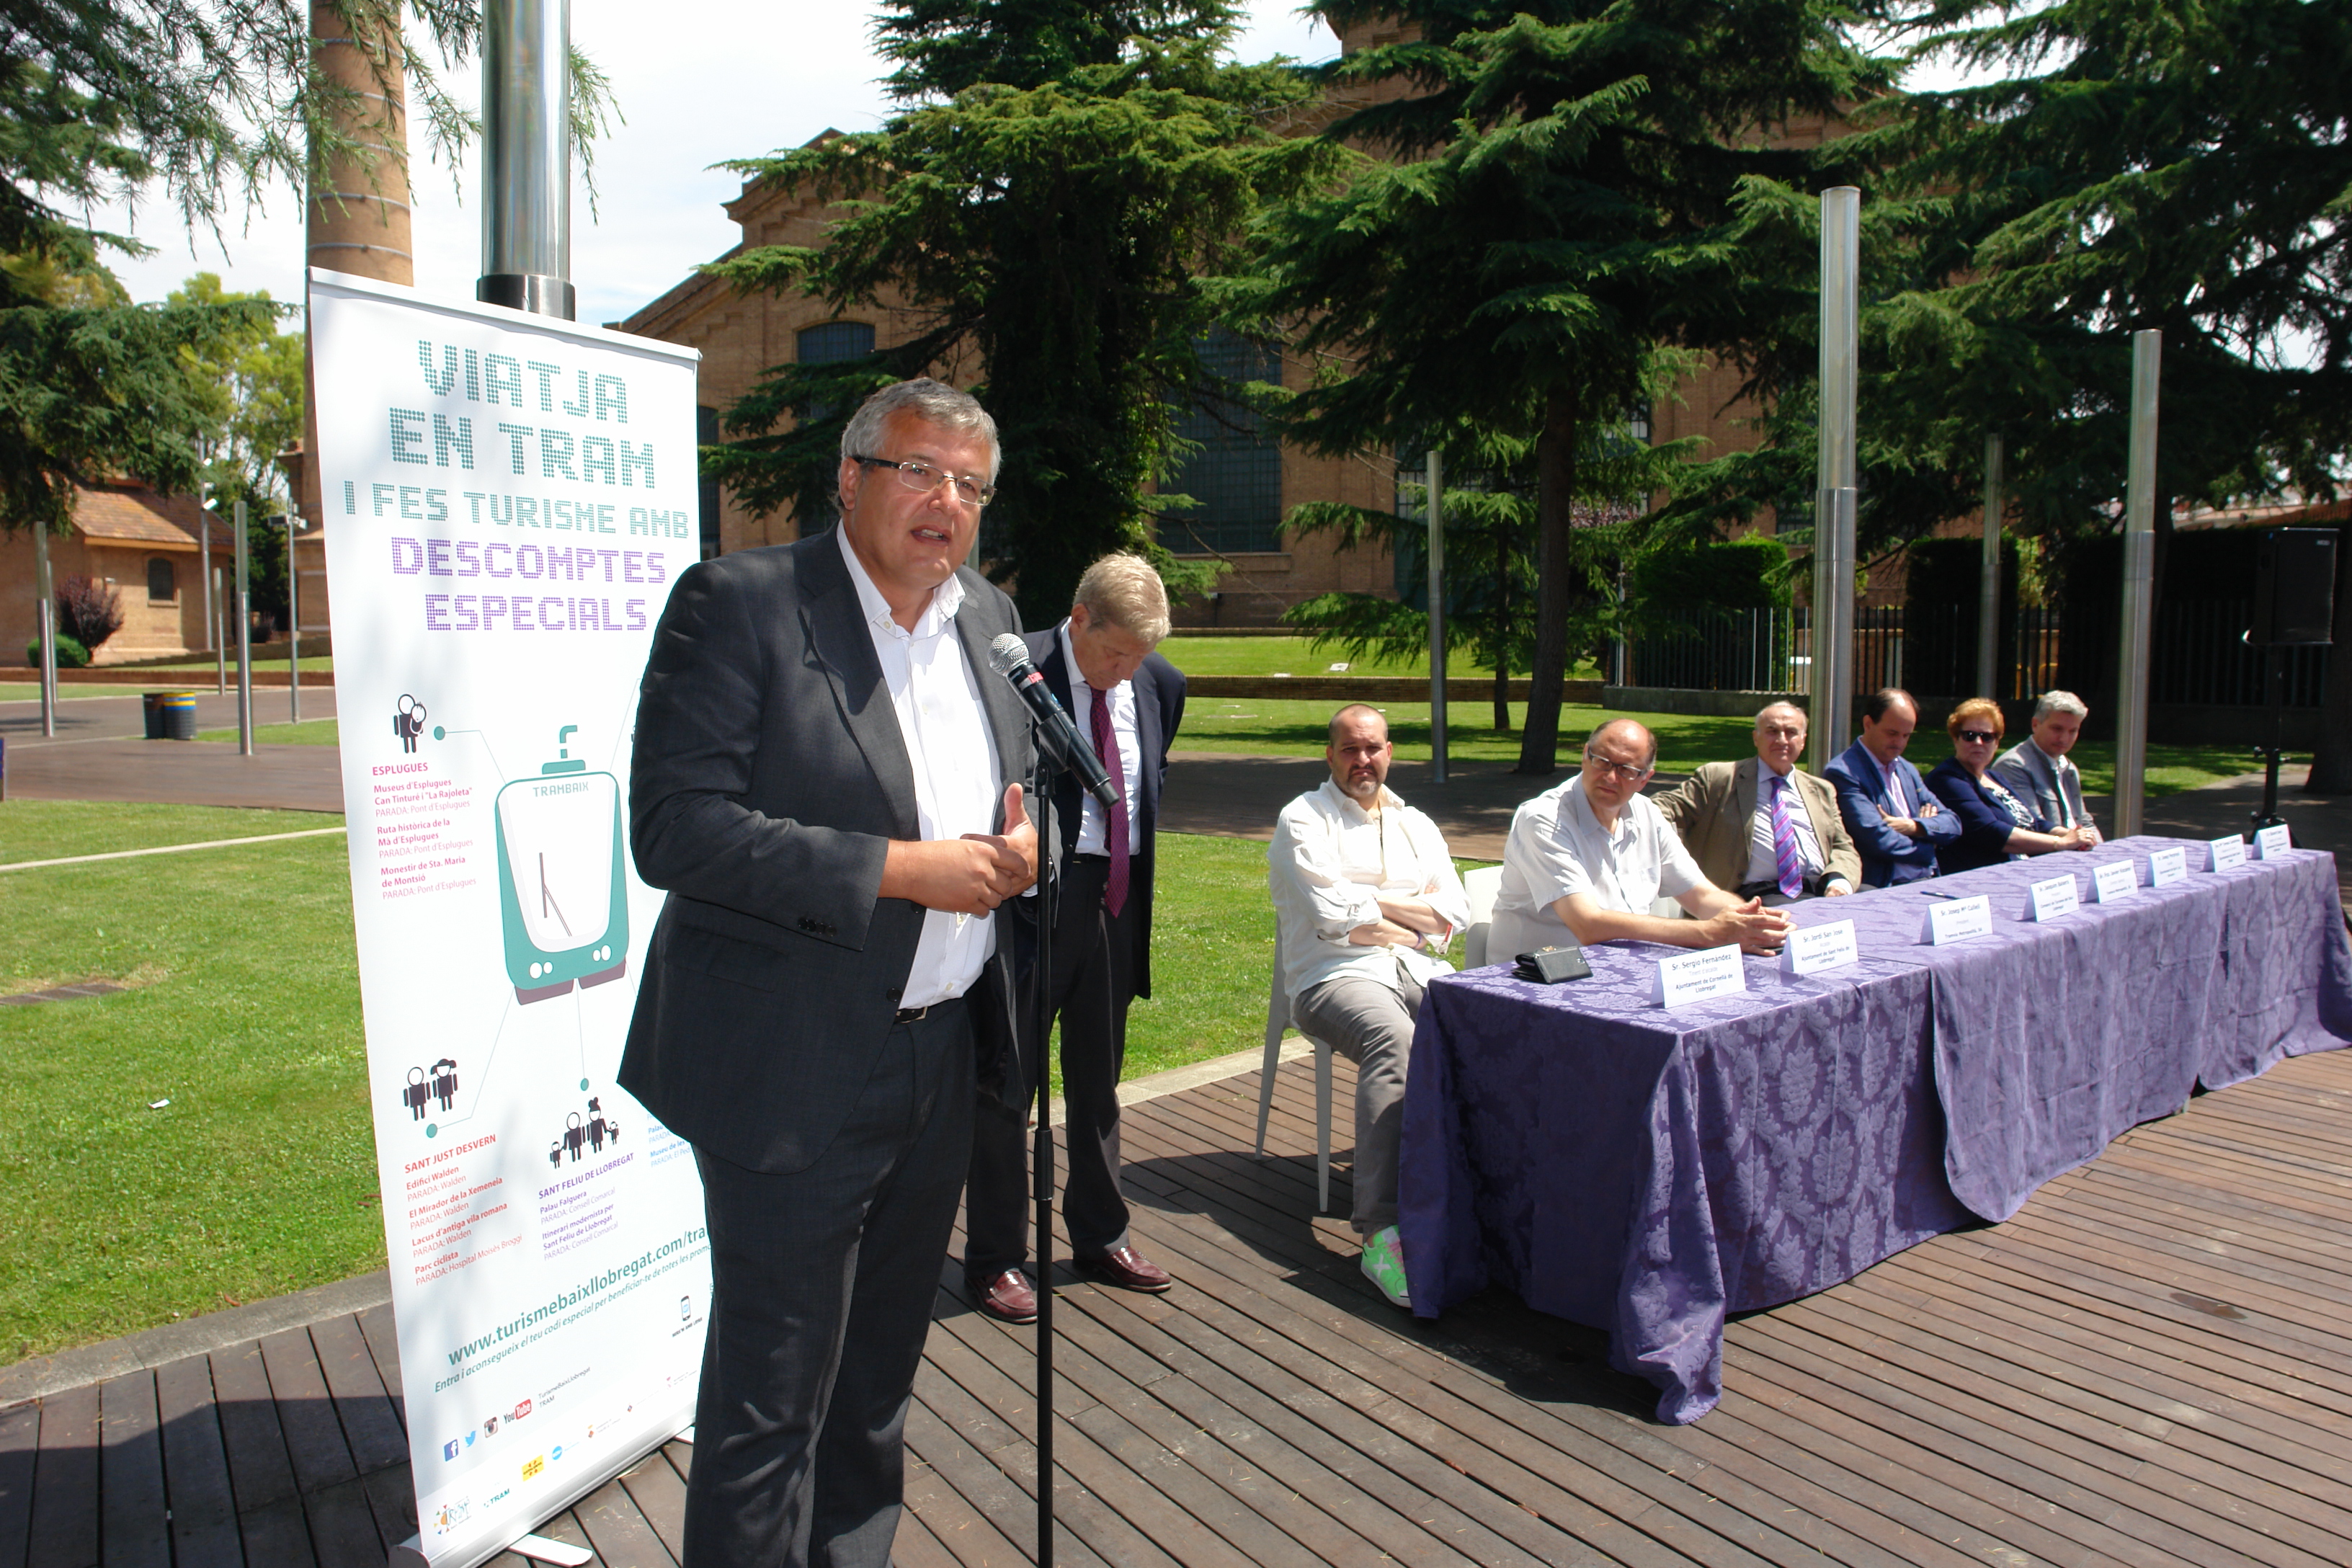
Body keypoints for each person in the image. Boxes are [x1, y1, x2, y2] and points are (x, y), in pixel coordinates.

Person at [620, 378, 1038, 1568]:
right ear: (849, 478)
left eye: (969, 484)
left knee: (875, 1390)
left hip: (943, 1057)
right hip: (793, 1067)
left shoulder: (988, 617)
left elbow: (1018, 795)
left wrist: (1026, 851)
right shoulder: (741, 604)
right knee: (771, 1406)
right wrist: (900, 872)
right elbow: (676, 829)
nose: (945, 501)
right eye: (919, 470)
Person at [963, 553, 1188, 1324]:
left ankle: (1101, 1235)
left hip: (1114, 899)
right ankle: (996, 1257)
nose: (1125, 673)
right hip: (1033, 906)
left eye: (1139, 658)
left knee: (1099, 1075)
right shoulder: (1015, 670)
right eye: (1115, 653)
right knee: (1009, 1080)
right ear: (1079, 618)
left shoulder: (1161, 684)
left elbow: (1149, 780)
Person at [1268, 703, 1469, 1311]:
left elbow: (1453, 915)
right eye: (1351, 749)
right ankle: (1382, 1231)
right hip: (1331, 977)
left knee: (1484, 1029)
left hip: (1417, 967)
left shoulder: (1417, 823)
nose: (1363, 760)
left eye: (1373, 747)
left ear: (1390, 752)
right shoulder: (1303, 818)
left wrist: (1369, 905)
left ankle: (1466, 1196)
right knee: (1396, 1041)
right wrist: (1408, 915)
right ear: (1330, 754)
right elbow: (1331, 918)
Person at [1488, 718, 1793, 962]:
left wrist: (1753, 922)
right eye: (1603, 762)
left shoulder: (1646, 813)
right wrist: (1710, 933)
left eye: (1626, 770)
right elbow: (1588, 924)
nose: (1610, 778)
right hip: (1535, 977)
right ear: (1585, 756)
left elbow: (1701, 896)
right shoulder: (1543, 819)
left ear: (1646, 778)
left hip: (1622, 965)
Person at [1652, 700, 1862, 904]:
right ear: (1756, 738)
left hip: (1819, 888)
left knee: (1872, 902)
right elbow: (1663, 807)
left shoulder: (1821, 790)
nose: (1782, 740)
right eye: (1772, 731)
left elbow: (1842, 846)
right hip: (1756, 894)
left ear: (1803, 740)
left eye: (1791, 732)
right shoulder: (1719, 779)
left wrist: (1839, 882)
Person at [1925, 698, 2096, 874]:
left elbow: (2033, 822)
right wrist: (2060, 843)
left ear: (1997, 742)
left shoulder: (1995, 778)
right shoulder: (1947, 779)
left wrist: (2070, 834)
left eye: (1987, 737)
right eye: (1969, 736)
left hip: (2020, 869)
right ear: (1956, 739)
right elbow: (1992, 833)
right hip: (1981, 877)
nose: (1978, 743)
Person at [1824, 687, 1961, 887]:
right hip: (1885, 887)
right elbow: (1878, 841)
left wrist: (1914, 827)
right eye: (1892, 733)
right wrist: (1930, 848)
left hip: (1928, 880)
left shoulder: (1906, 769)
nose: (1899, 743)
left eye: (1907, 735)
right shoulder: (1844, 773)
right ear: (1868, 724)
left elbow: (1953, 824)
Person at [1991, 690, 2101, 841]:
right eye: (2057, 729)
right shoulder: (2014, 765)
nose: (2064, 738)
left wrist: (2102, 849)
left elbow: (2084, 821)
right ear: (2035, 724)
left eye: (2073, 731)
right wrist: (2074, 842)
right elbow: (2033, 826)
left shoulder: (2069, 768)